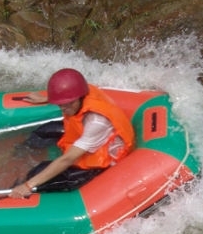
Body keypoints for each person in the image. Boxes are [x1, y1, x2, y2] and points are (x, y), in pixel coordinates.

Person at [9, 69, 135, 198]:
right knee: (43, 132)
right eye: (61, 104)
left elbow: (67, 159)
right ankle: (17, 156)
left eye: (69, 104)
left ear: (80, 98)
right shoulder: (82, 91)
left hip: (100, 161)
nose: (64, 108)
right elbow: (68, 98)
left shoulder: (96, 122)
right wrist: (47, 99)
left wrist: (28, 186)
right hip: (85, 135)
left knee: (37, 174)